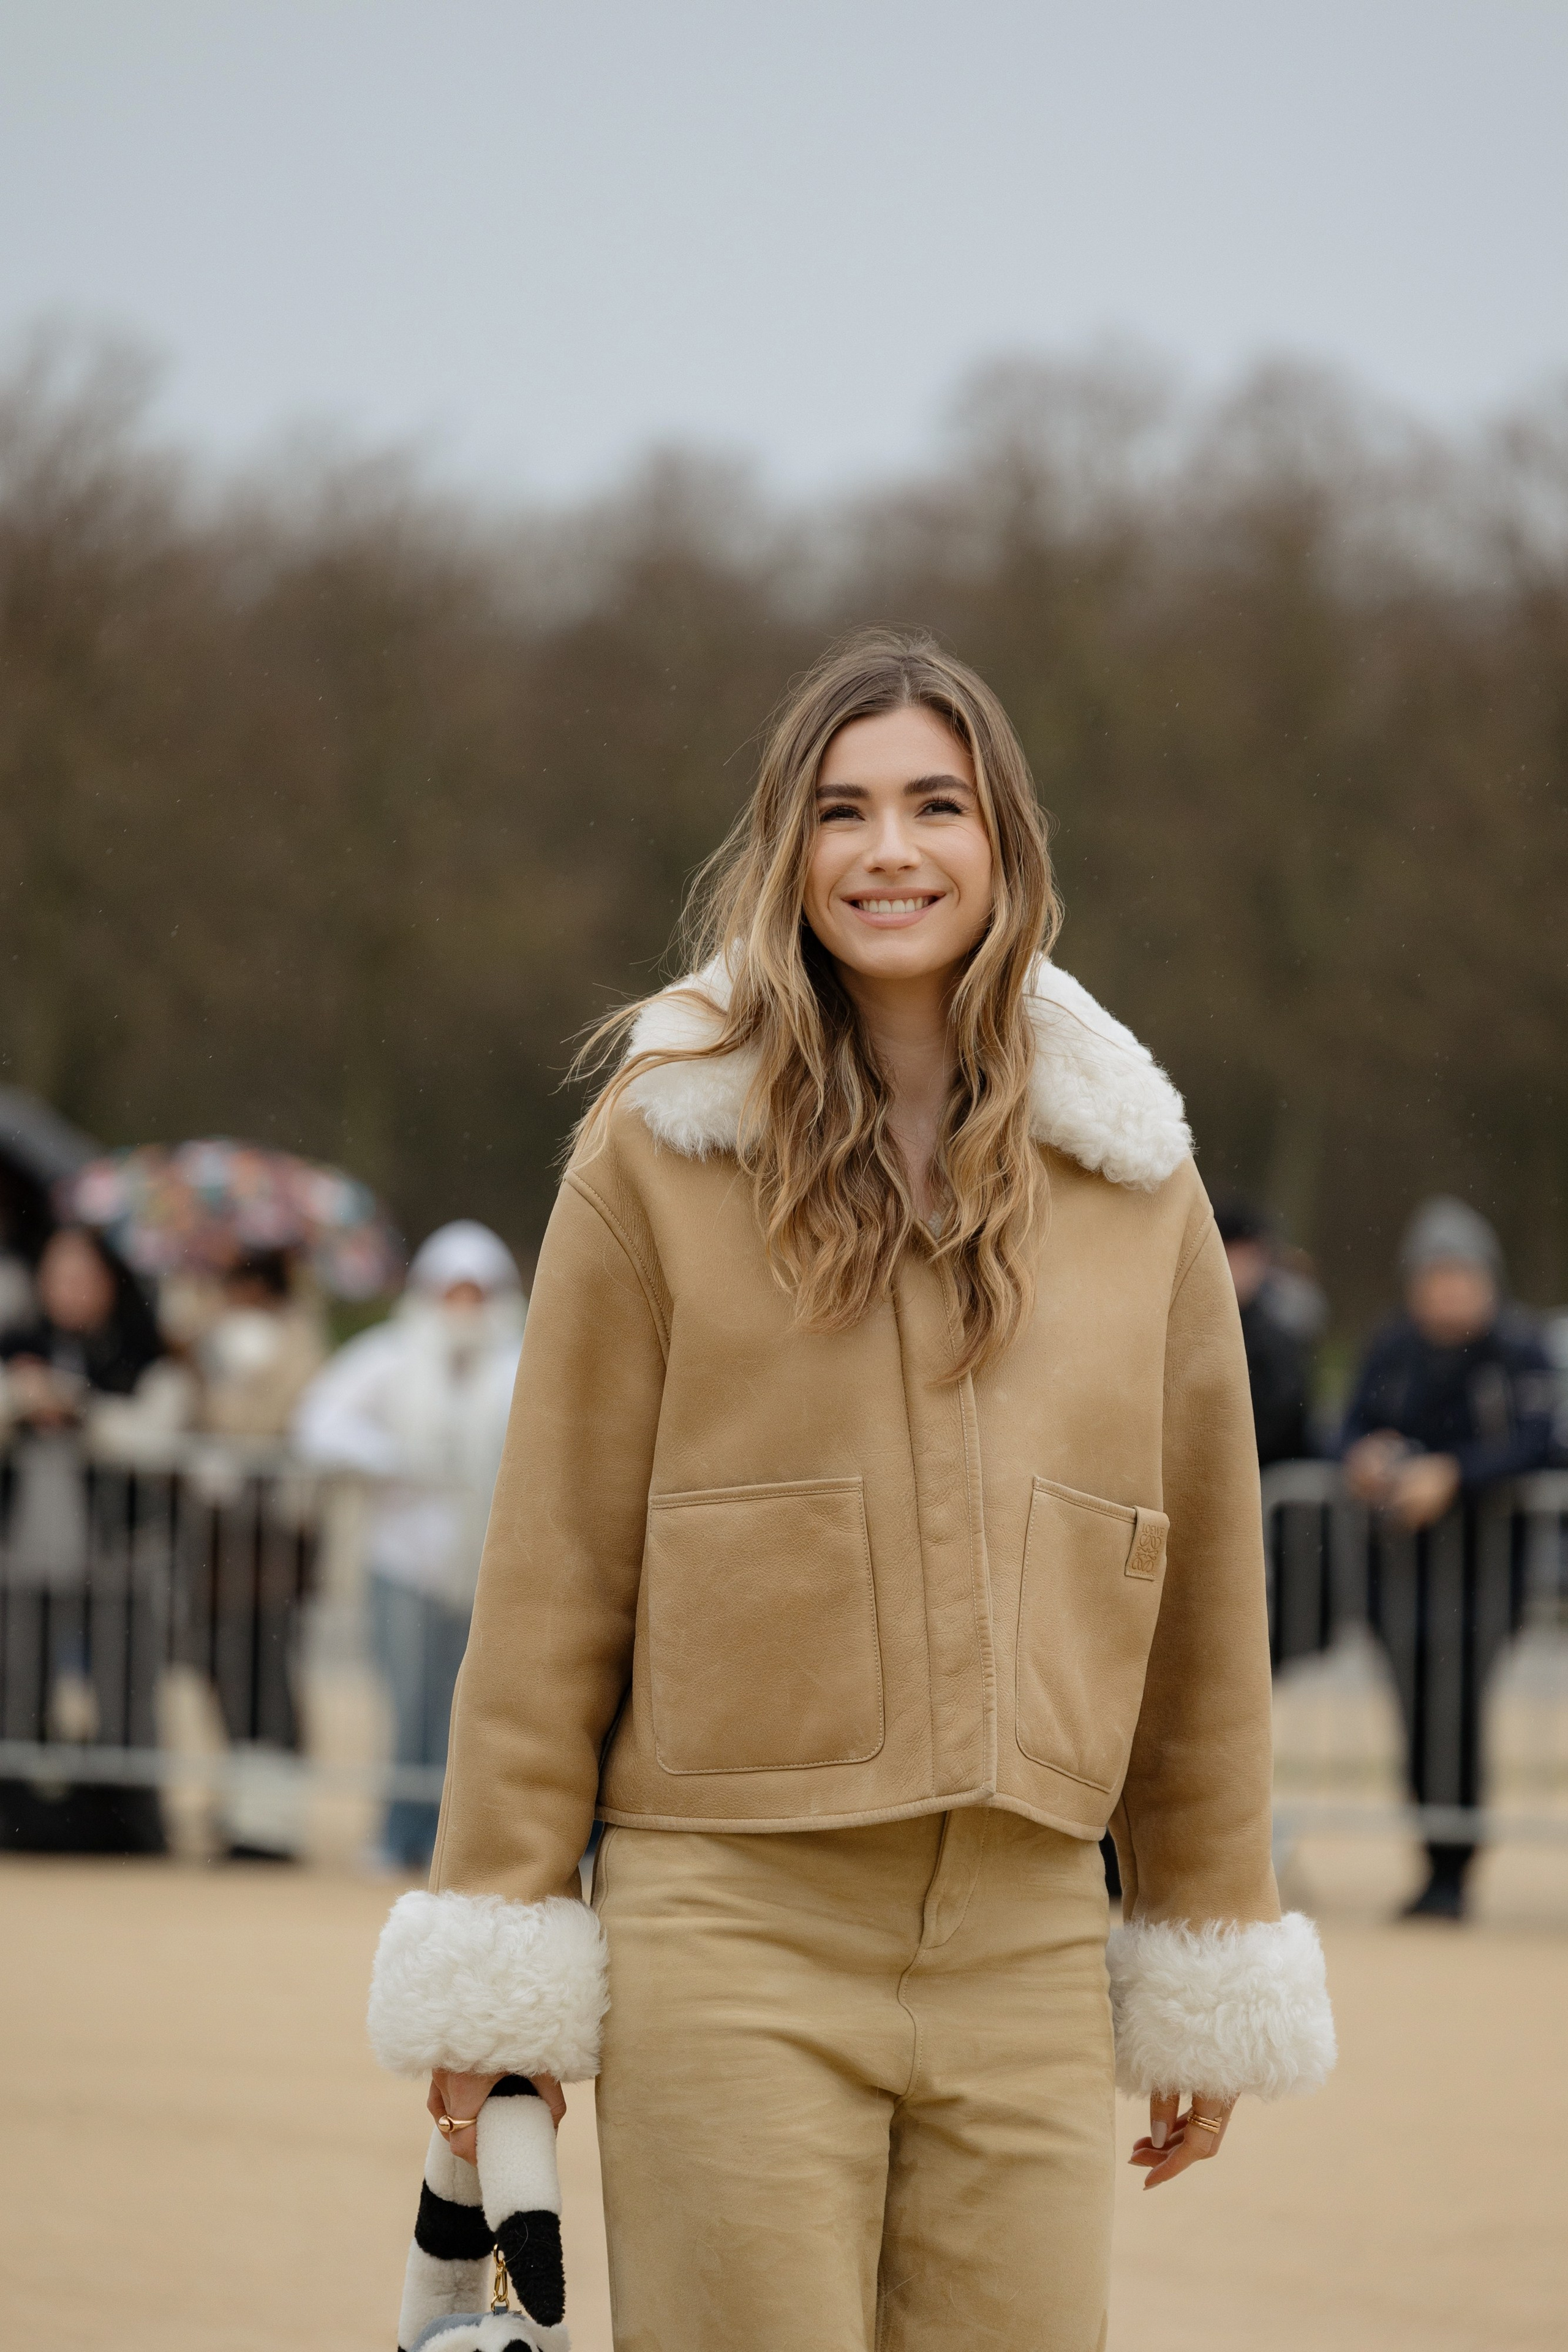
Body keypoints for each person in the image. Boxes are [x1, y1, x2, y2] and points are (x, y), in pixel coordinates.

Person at [366, 634, 1335, 2352]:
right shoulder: (660, 1149)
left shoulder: (1139, 1179)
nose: (892, 850)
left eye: (936, 807)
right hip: (730, 1926)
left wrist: (1206, 1951)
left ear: (1006, 845)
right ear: (789, 854)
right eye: (845, 812)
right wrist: (503, 1956)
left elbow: (1196, 1600)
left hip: (1032, 1939)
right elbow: (553, 1577)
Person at [1341, 1194, 1555, 1920]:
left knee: (1459, 1714)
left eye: (1460, 1277)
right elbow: (1344, 1427)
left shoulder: (1519, 1349)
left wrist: (1453, 1475)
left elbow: (1538, 1443)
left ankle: (1454, 1873)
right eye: (1434, 1278)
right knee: (1414, 1717)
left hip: (1486, 1577)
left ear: (1488, 1280)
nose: (1447, 1292)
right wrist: (1363, 1460)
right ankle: (1431, 1864)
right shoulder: (1392, 1347)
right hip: (1398, 1576)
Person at [293, 1221, 526, 1873]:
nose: (463, 1308)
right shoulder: (391, 1357)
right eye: (452, 1293)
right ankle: (400, 1833)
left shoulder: (522, 1359)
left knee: (475, 1709)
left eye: (475, 1294)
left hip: (490, 1567)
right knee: (408, 1703)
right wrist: (392, 1460)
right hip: (401, 1561)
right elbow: (318, 1421)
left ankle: (462, 1838)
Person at [0, 1224, 185, 1853]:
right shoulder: (17, 1346)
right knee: (17, 1687)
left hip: (115, 1557)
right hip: (23, 1555)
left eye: (83, 1277)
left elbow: (158, 1435)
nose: (69, 1291)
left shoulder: (137, 1353)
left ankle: (130, 1824)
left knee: (125, 1690)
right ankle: (20, 1815)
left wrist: (81, 1410)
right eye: (58, 1277)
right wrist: (20, 1401)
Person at [1214, 1197, 1316, 1468]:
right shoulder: (1181, 1325)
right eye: (1234, 1256)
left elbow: (1285, 1426)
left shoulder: (1278, 1340)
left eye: (1251, 1259)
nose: (1242, 1270)